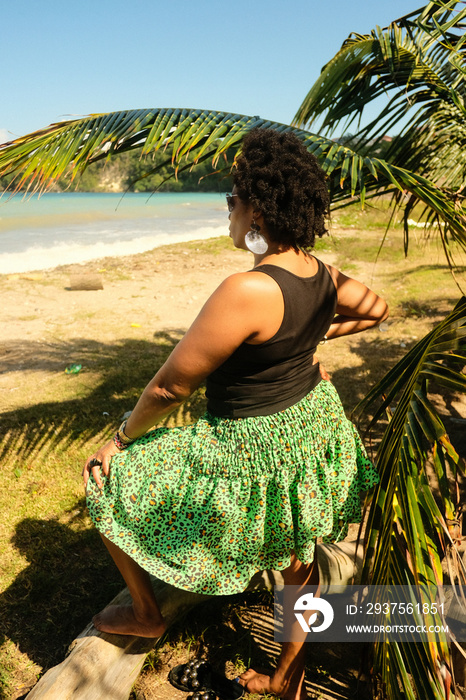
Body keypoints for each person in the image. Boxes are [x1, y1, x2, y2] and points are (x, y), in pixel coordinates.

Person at [83, 128, 387, 700]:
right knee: (299, 560)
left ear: (257, 210)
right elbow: (377, 309)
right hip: (306, 429)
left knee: (102, 480)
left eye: (231, 199)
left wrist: (121, 438)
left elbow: (171, 388)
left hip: (251, 446)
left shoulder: (246, 289)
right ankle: (284, 680)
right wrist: (308, 345)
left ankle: (148, 612)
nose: (229, 210)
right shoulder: (321, 273)